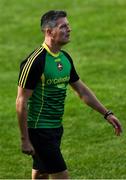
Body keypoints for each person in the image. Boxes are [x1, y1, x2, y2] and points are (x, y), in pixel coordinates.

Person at [16, 10, 122, 179]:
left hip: (56, 128)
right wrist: (25, 139)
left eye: (68, 25)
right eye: (63, 26)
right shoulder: (35, 62)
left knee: (41, 173)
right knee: (62, 176)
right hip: (39, 130)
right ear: (49, 32)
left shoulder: (64, 58)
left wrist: (106, 113)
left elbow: (81, 90)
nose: (69, 29)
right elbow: (21, 101)